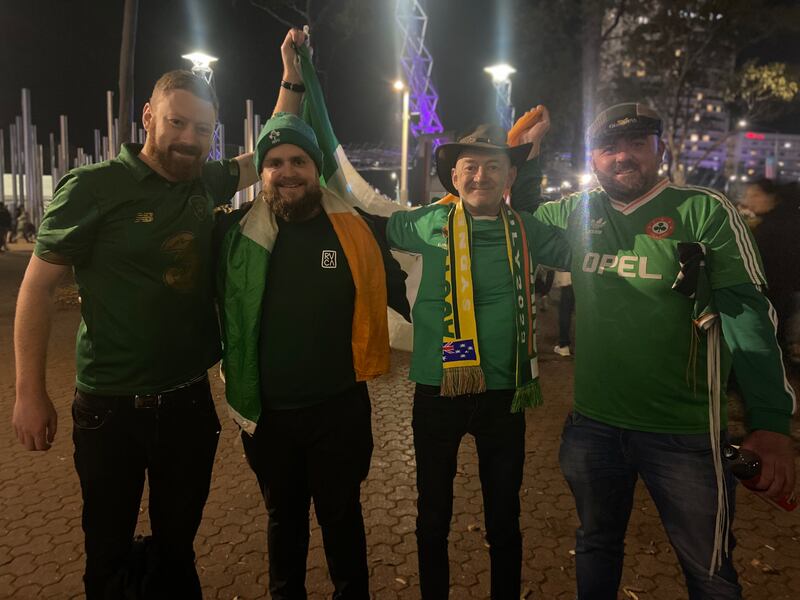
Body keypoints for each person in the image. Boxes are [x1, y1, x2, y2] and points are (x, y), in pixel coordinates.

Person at [516, 103, 796, 599]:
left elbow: (748, 318)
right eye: (608, 147)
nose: (622, 156)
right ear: (593, 157)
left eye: (637, 144)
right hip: (593, 426)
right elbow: (517, 221)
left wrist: (770, 424)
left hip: (685, 434)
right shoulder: (579, 211)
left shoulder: (705, 210)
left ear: (659, 149)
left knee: (710, 573)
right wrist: (524, 155)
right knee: (596, 546)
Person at [12, 69, 259, 599]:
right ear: (148, 117)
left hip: (189, 404)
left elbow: (262, 157)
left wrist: (294, 80)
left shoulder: (202, 182)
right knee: (107, 552)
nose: (190, 138)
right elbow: (36, 290)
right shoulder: (93, 187)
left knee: (178, 549)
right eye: (177, 122)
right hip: (109, 407)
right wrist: (29, 393)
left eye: (203, 129)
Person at [214, 29, 409, 599]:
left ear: (315, 166)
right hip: (268, 414)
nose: (287, 171)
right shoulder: (233, 235)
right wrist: (289, 76)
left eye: (298, 159)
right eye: (274, 162)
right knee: (284, 522)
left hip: (339, 411)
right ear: (262, 172)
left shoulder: (356, 230)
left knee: (344, 519)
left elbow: (414, 284)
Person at [385, 116, 568, 598]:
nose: (480, 176)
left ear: (510, 177)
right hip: (437, 389)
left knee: (504, 516)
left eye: (493, 167)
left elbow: (581, 250)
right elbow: (374, 222)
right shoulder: (426, 222)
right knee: (433, 517)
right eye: (469, 167)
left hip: (505, 393)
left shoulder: (527, 230)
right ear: (454, 176)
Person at [741, 178, 800, 364]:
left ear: (771, 198)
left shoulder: (777, 226)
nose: (749, 200)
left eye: (755, 195)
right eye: (748, 195)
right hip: (777, 295)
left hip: (773, 295)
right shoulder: (775, 221)